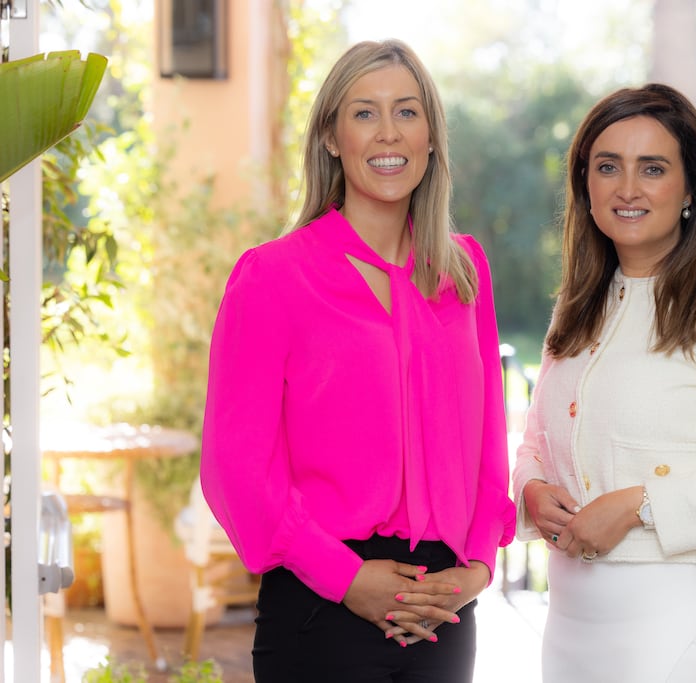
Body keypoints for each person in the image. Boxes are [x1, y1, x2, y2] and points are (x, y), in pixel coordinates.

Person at [201, 39, 516, 682]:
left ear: (431, 137)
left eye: (407, 111)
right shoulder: (272, 276)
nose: (388, 132)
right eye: (365, 113)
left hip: (444, 610)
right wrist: (347, 580)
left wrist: (478, 568)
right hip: (321, 609)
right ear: (331, 139)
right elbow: (236, 469)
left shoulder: (465, 271)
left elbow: (487, 447)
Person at [513, 83, 696, 682]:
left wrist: (640, 505)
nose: (628, 189)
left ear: (690, 189)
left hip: (682, 624)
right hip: (570, 622)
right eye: (608, 167)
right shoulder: (577, 307)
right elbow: (534, 443)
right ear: (585, 187)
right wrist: (530, 489)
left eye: (652, 168)